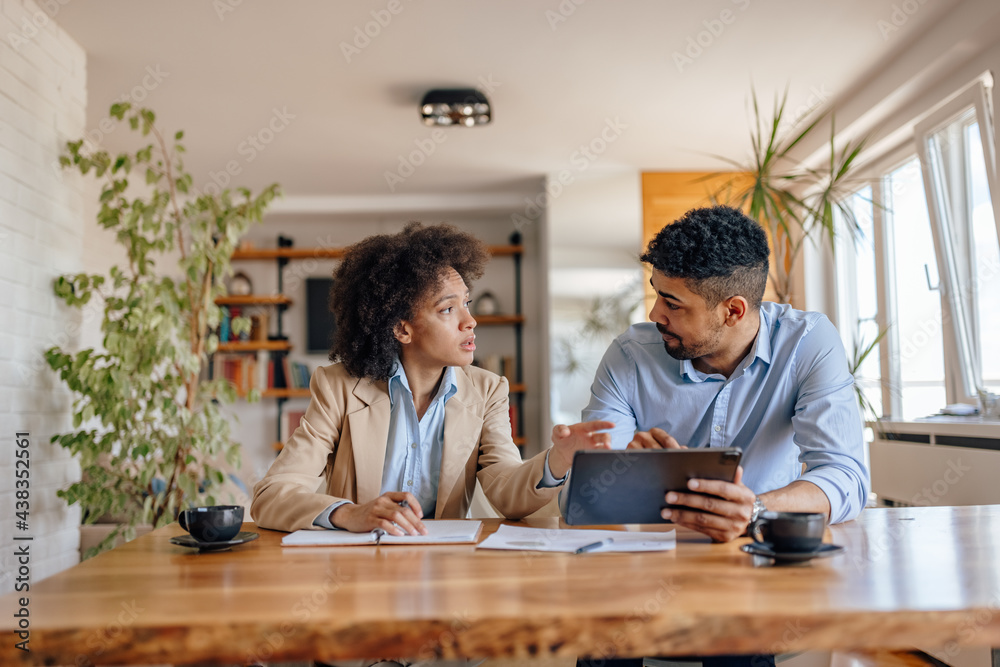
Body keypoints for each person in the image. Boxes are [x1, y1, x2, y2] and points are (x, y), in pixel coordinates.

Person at [575, 205, 870, 667]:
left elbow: (846, 475)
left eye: (673, 303)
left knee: (738, 633)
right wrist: (623, 467)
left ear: (733, 310)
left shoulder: (808, 343)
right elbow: (588, 484)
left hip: (753, 559)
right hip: (648, 560)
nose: (654, 313)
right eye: (657, 294)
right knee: (605, 634)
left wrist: (754, 508)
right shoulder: (630, 355)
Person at [251, 222, 611, 538]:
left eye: (467, 304)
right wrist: (348, 513)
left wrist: (557, 461)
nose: (470, 321)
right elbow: (272, 495)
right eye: (447, 309)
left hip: (444, 571)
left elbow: (505, 490)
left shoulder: (488, 391)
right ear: (402, 329)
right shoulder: (339, 387)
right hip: (354, 572)